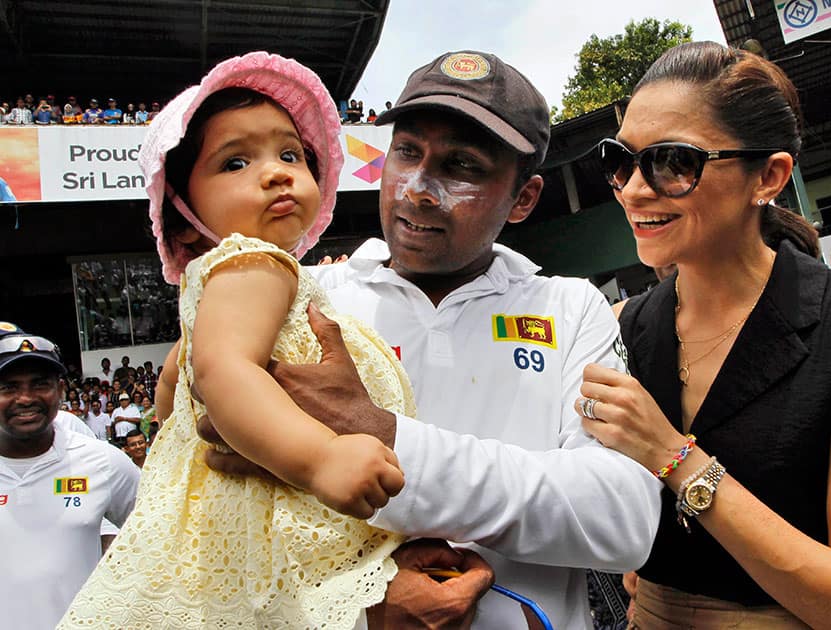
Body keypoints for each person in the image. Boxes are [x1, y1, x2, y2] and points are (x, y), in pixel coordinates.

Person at [198, 50, 662, 629]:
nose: (418, 189)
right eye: (407, 152)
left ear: (524, 198)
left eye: (462, 166)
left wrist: (381, 436)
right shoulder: (303, 299)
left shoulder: (570, 309)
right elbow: (221, 516)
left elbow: (622, 518)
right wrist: (356, 605)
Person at [59, 51, 413, 630]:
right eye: (236, 162)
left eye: (290, 153)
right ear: (182, 212)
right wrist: (319, 457)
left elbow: (177, 390)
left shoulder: (231, 288)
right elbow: (223, 373)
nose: (275, 171)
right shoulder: (254, 265)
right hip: (285, 524)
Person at [579, 42, 831, 628]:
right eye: (621, 161)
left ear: (768, 175)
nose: (634, 189)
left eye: (672, 162)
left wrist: (676, 459)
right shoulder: (623, 328)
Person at [0, 323, 139, 630]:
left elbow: (158, 537)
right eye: (7, 387)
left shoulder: (103, 462)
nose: (25, 398)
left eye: (40, 384)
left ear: (60, 391)